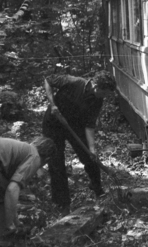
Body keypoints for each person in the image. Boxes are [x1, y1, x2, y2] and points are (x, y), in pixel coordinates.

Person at [42, 70, 116, 213]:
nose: (106, 96)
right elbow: (48, 79)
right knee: (56, 162)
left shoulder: (97, 100)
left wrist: (92, 148)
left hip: (75, 126)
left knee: (89, 157)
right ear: (96, 87)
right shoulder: (73, 81)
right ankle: (62, 203)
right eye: (105, 93)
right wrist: (53, 105)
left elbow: (89, 125)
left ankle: (98, 189)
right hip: (54, 122)